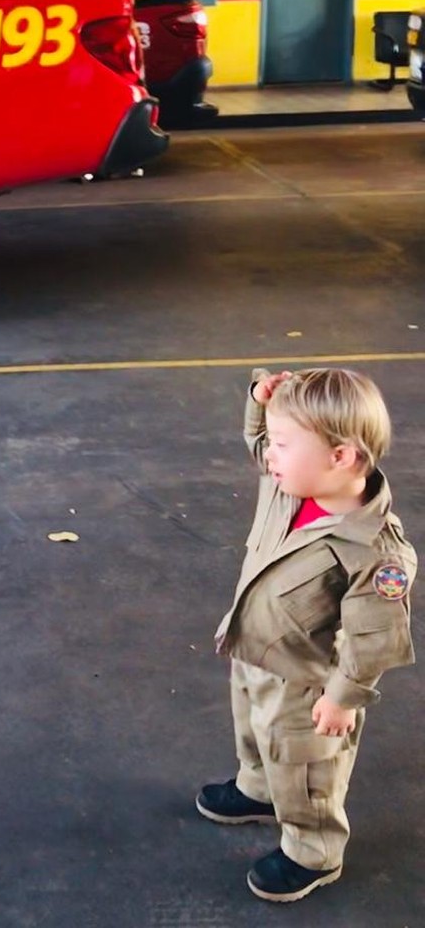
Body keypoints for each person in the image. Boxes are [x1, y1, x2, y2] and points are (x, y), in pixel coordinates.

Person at [197, 367, 416, 902]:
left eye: (282, 444)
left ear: (340, 457)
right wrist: (260, 401)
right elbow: (257, 440)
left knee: (306, 766)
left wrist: (343, 700)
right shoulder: (289, 483)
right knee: (253, 730)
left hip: (307, 684)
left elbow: (374, 636)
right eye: (271, 441)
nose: (267, 454)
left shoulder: (375, 552)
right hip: (255, 648)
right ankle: (256, 788)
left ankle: (312, 850)